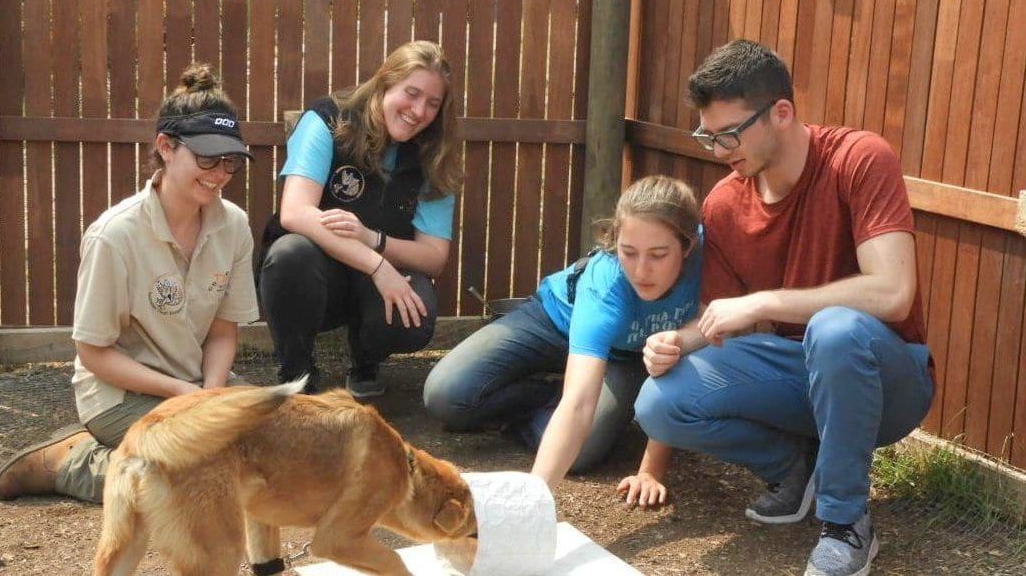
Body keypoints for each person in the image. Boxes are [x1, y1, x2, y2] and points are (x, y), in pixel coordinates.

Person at [634, 40, 933, 576]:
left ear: (782, 113)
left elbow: (893, 293)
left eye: (730, 133)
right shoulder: (724, 202)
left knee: (836, 330)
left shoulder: (858, 159)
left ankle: (846, 523)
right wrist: (677, 341)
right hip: (797, 376)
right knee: (659, 402)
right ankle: (796, 471)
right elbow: (718, 316)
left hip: (889, 381)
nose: (720, 149)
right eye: (709, 135)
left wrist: (766, 302)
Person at [0, 64, 260, 503]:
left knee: (275, 444)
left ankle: (154, 448)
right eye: (207, 157)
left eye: (230, 160)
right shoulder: (114, 236)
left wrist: (209, 395)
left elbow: (224, 330)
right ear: (166, 147)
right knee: (203, 479)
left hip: (193, 383)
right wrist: (186, 397)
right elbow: (94, 353)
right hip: (119, 395)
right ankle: (70, 461)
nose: (220, 172)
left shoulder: (235, 225)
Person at [425, 175, 702, 499]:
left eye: (657, 255)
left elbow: (677, 362)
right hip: (556, 321)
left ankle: (536, 411)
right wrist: (534, 500)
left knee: (583, 450)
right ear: (614, 241)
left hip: (625, 356)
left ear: (688, 247)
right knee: (446, 394)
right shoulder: (606, 283)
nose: (640, 271)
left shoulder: (710, 259)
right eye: (628, 252)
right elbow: (579, 402)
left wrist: (649, 470)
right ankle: (550, 396)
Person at [258, 40, 462, 397]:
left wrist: (373, 240)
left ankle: (366, 361)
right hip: (320, 274)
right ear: (385, 84)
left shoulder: (434, 154)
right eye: (411, 93)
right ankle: (296, 372)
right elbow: (294, 212)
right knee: (289, 255)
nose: (418, 111)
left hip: (378, 272)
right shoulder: (328, 119)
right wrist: (376, 265)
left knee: (415, 314)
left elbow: (433, 256)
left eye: (432, 103)